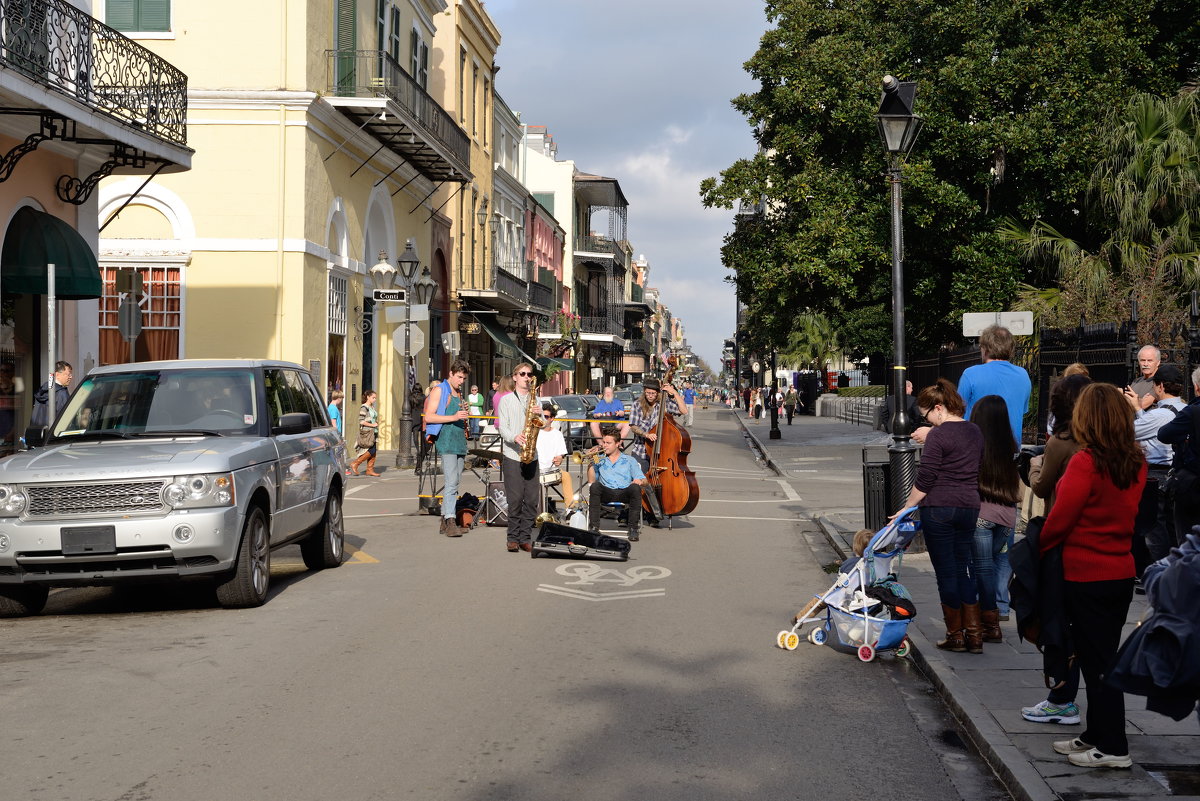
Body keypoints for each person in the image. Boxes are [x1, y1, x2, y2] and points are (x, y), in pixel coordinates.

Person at [1041, 382, 1146, 769]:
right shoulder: (1136, 459)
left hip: (1085, 571)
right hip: (1118, 568)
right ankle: (1094, 733)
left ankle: (1115, 747)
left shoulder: (1086, 462)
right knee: (1095, 657)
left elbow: (1060, 518)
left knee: (1098, 663)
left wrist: (1041, 546)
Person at [1022, 373, 1091, 725]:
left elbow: (1045, 489)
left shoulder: (1062, 444)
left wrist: (1034, 466)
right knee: (1090, 633)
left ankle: (1062, 697)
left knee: (1058, 623)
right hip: (1107, 555)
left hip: (1065, 545)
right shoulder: (1110, 447)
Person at [898, 379, 984, 653]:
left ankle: (956, 636)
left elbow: (925, 478)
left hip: (940, 509)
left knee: (946, 572)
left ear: (938, 408)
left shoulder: (938, 435)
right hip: (969, 506)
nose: (927, 421)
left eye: (926, 415)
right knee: (964, 569)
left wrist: (905, 507)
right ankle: (975, 635)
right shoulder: (975, 431)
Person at [969, 395, 1021, 644]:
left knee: (982, 567)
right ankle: (999, 608)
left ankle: (987, 622)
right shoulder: (1011, 446)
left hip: (981, 514)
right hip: (1006, 514)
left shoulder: (975, 445)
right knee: (1001, 560)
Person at [1125, 364, 1186, 563]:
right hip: (1177, 473)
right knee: (1173, 525)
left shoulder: (1160, 414)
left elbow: (1129, 432)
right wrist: (1138, 408)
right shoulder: (1184, 408)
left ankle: (1158, 570)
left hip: (1157, 474)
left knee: (1154, 527)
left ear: (1159, 386)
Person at [958, 325, 1031, 445]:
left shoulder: (970, 374)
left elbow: (956, 412)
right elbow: (1020, 410)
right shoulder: (1023, 375)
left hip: (976, 448)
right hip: (1010, 450)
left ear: (986, 348)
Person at [497, 363, 542, 552]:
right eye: (522, 374)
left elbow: (543, 424)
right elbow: (502, 427)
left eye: (529, 374)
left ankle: (525, 537)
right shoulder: (506, 401)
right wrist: (514, 437)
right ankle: (512, 538)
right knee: (515, 499)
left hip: (531, 455)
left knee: (532, 500)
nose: (526, 377)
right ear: (515, 377)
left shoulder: (535, 400)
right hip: (512, 454)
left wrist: (542, 416)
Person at [424, 360, 471, 537]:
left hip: (459, 439)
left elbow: (458, 416)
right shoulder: (439, 390)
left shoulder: (458, 393)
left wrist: (464, 413)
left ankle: (444, 519)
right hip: (447, 440)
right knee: (451, 482)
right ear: (450, 374)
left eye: (464, 378)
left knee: (455, 481)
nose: (461, 381)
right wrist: (454, 416)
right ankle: (451, 520)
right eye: (459, 377)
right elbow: (429, 417)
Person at [1157, 365, 1200, 543]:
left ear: (1197, 387)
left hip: (1194, 481)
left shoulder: (1193, 412)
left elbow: (1164, 434)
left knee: (1188, 540)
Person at [587, 430, 647, 541]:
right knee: (595, 487)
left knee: (635, 488)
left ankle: (633, 528)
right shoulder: (599, 459)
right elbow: (591, 481)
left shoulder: (629, 460)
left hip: (624, 491)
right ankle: (594, 527)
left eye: (608, 443)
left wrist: (640, 481)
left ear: (618, 443)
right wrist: (591, 463)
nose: (604, 445)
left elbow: (644, 480)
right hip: (607, 492)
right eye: (604, 442)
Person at [29, 360, 72, 430]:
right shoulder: (62, 393)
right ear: (57, 375)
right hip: (53, 436)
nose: (71, 377)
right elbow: (65, 419)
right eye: (68, 374)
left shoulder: (42, 391)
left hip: (37, 434)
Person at [348, 390, 380, 476]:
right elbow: (361, 421)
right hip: (367, 432)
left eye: (375, 398)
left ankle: (370, 470)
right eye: (373, 398)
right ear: (368, 397)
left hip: (373, 431)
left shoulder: (372, 407)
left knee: (374, 451)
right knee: (371, 450)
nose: (374, 399)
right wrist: (372, 425)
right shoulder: (364, 407)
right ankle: (355, 463)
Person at [1127, 345, 1162, 412]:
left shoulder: (1159, 382)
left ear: (1158, 363)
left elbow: (1142, 405)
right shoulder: (1136, 381)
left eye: (1149, 360)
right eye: (1143, 360)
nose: (1145, 364)